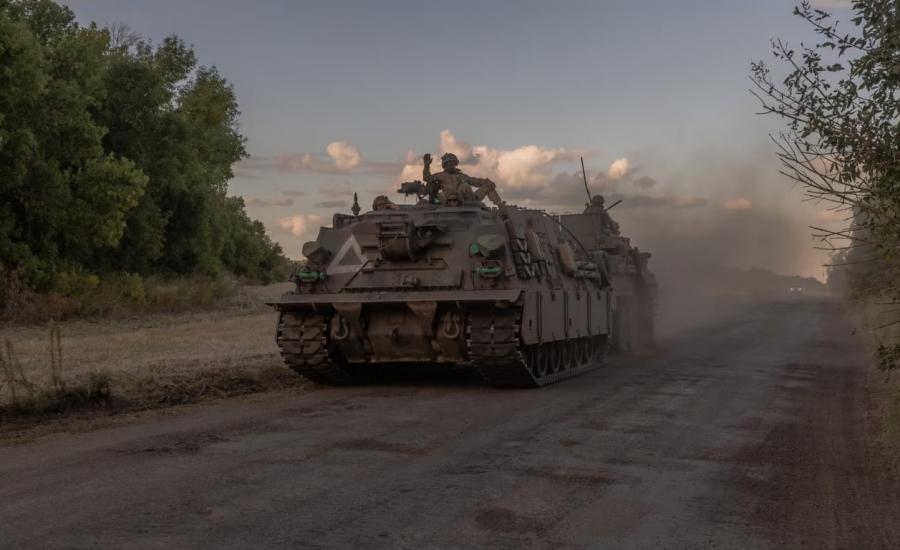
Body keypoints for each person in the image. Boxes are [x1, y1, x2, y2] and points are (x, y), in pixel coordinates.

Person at [423, 153, 503, 206]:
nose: (451, 165)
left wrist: (485, 181)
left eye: (453, 164)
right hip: (450, 199)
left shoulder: (462, 176)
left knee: (487, 185)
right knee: (463, 187)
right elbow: (427, 178)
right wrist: (426, 166)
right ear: (444, 166)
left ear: (455, 165)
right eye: (449, 164)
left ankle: (501, 206)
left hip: (468, 200)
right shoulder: (441, 175)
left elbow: (474, 181)